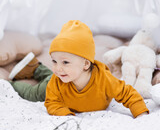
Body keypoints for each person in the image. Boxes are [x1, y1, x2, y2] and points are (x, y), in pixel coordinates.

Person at [9, 20, 149, 118]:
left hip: (64, 78)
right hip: (51, 84)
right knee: (33, 93)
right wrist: (65, 115)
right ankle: (11, 82)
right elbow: (52, 103)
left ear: (86, 64)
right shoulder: (57, 81)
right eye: (54, 61)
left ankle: (34, 67)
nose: (58, 67)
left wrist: (140, 111)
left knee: (53, 74)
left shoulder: (104, 80)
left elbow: (127, 93)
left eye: (65, 62)